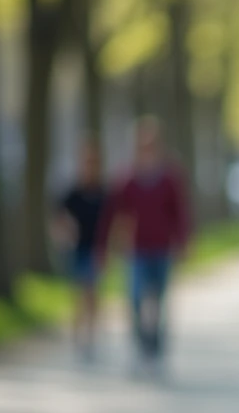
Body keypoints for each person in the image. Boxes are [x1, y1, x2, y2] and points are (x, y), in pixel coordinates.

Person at [97, 117, 190, 368]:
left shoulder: (169, 175)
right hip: (136, 248)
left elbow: (179, 211)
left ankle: (157, 344)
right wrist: (105, 247)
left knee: (158, 299)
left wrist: (182, 241)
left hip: (162, 247)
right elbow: (112, 214)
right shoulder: (127, 177)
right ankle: (141, 344)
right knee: (136, 297)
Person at [54, 140, 107, 360]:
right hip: (77, 250)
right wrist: (66, 233)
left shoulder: (103, 192)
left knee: (92, 294)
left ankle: (91, 338)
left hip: (96, 249)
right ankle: (78, 337)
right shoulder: (73, 193)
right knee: (79, 295)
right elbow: (57, 218)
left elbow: (111, 221)